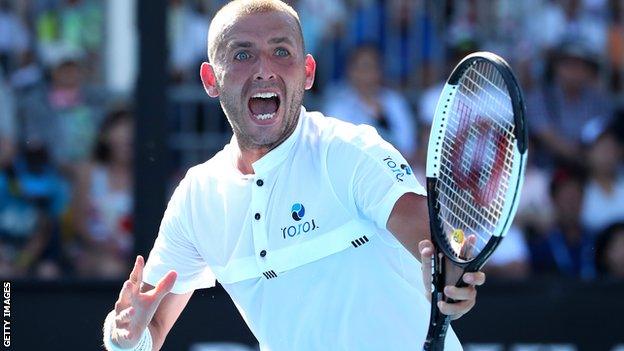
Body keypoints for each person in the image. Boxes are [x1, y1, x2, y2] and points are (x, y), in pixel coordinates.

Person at [102, 1, 485, 350]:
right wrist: (123, 338)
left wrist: (450, 275)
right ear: (210, 79)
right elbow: (148, 330)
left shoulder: (350, 152)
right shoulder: (197, 197)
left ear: (307, 72)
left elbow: (431, 242)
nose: (264, 69)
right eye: (242, 54)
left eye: (281, 51)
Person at [323, 44, 417, 160]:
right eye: (360, 68)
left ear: (380, 71)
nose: (365, 74)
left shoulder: (395, 102)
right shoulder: (338, 106)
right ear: (350, 71)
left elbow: (407, 145)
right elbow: (335, 148)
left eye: (370, 67)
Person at [72, 107, 134, 278]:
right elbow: (78, 222)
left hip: (137, 257)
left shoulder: (147, 177)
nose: (126, 139)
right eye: (120, 131)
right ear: (106, 137)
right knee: (110, 269)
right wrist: (103, 246)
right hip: (93, 254)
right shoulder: (88, 173)